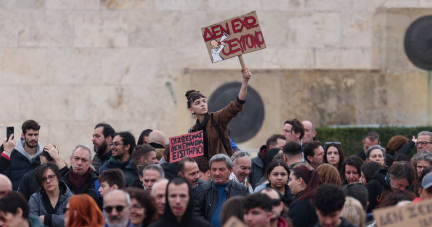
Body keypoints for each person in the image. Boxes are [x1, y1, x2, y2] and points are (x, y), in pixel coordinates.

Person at [185, 68, 251, 159]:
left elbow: (237, 105)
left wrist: (245, 81)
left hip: (221, 168)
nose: (203, 104)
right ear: (191, 110)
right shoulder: (193, 131)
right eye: (197, 103)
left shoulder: (216, 118)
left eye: (204, 101)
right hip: (204, 171)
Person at [193, 154, 249, 227]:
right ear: (209, 171)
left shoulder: (242, 191)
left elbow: (248, 214)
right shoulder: (200, 191)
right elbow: (196, 216)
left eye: (221, 169)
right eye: (214, 169)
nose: (217, 173)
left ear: (230, 170)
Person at [6, 120, 43, 191]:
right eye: (30, 135)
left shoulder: (43, 157)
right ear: (23, 136)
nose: (33, 138)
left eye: (36, 135)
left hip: (36, 201)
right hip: (16, 199)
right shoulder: (12, 154)